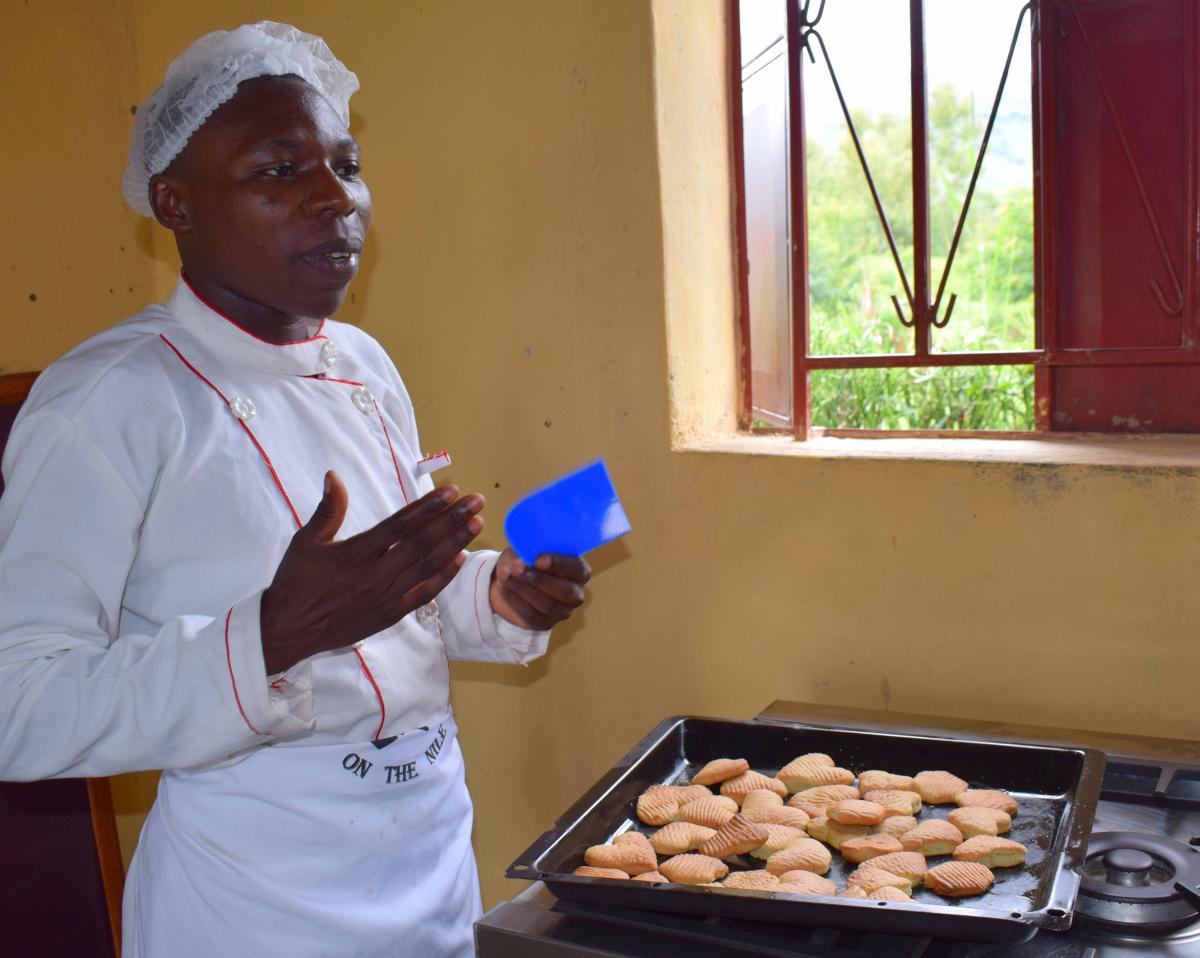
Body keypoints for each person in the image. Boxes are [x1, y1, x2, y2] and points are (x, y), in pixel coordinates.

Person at [0, 21, 590, 958]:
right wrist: (274, 632)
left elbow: (390, 610)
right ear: (174, 203)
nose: (335, 198)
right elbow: (19, 707)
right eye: (278, 171)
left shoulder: (359, 362)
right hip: (255, 900)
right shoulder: (107, 402)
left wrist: (493, 594)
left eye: (345, 164)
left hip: (429, 855)